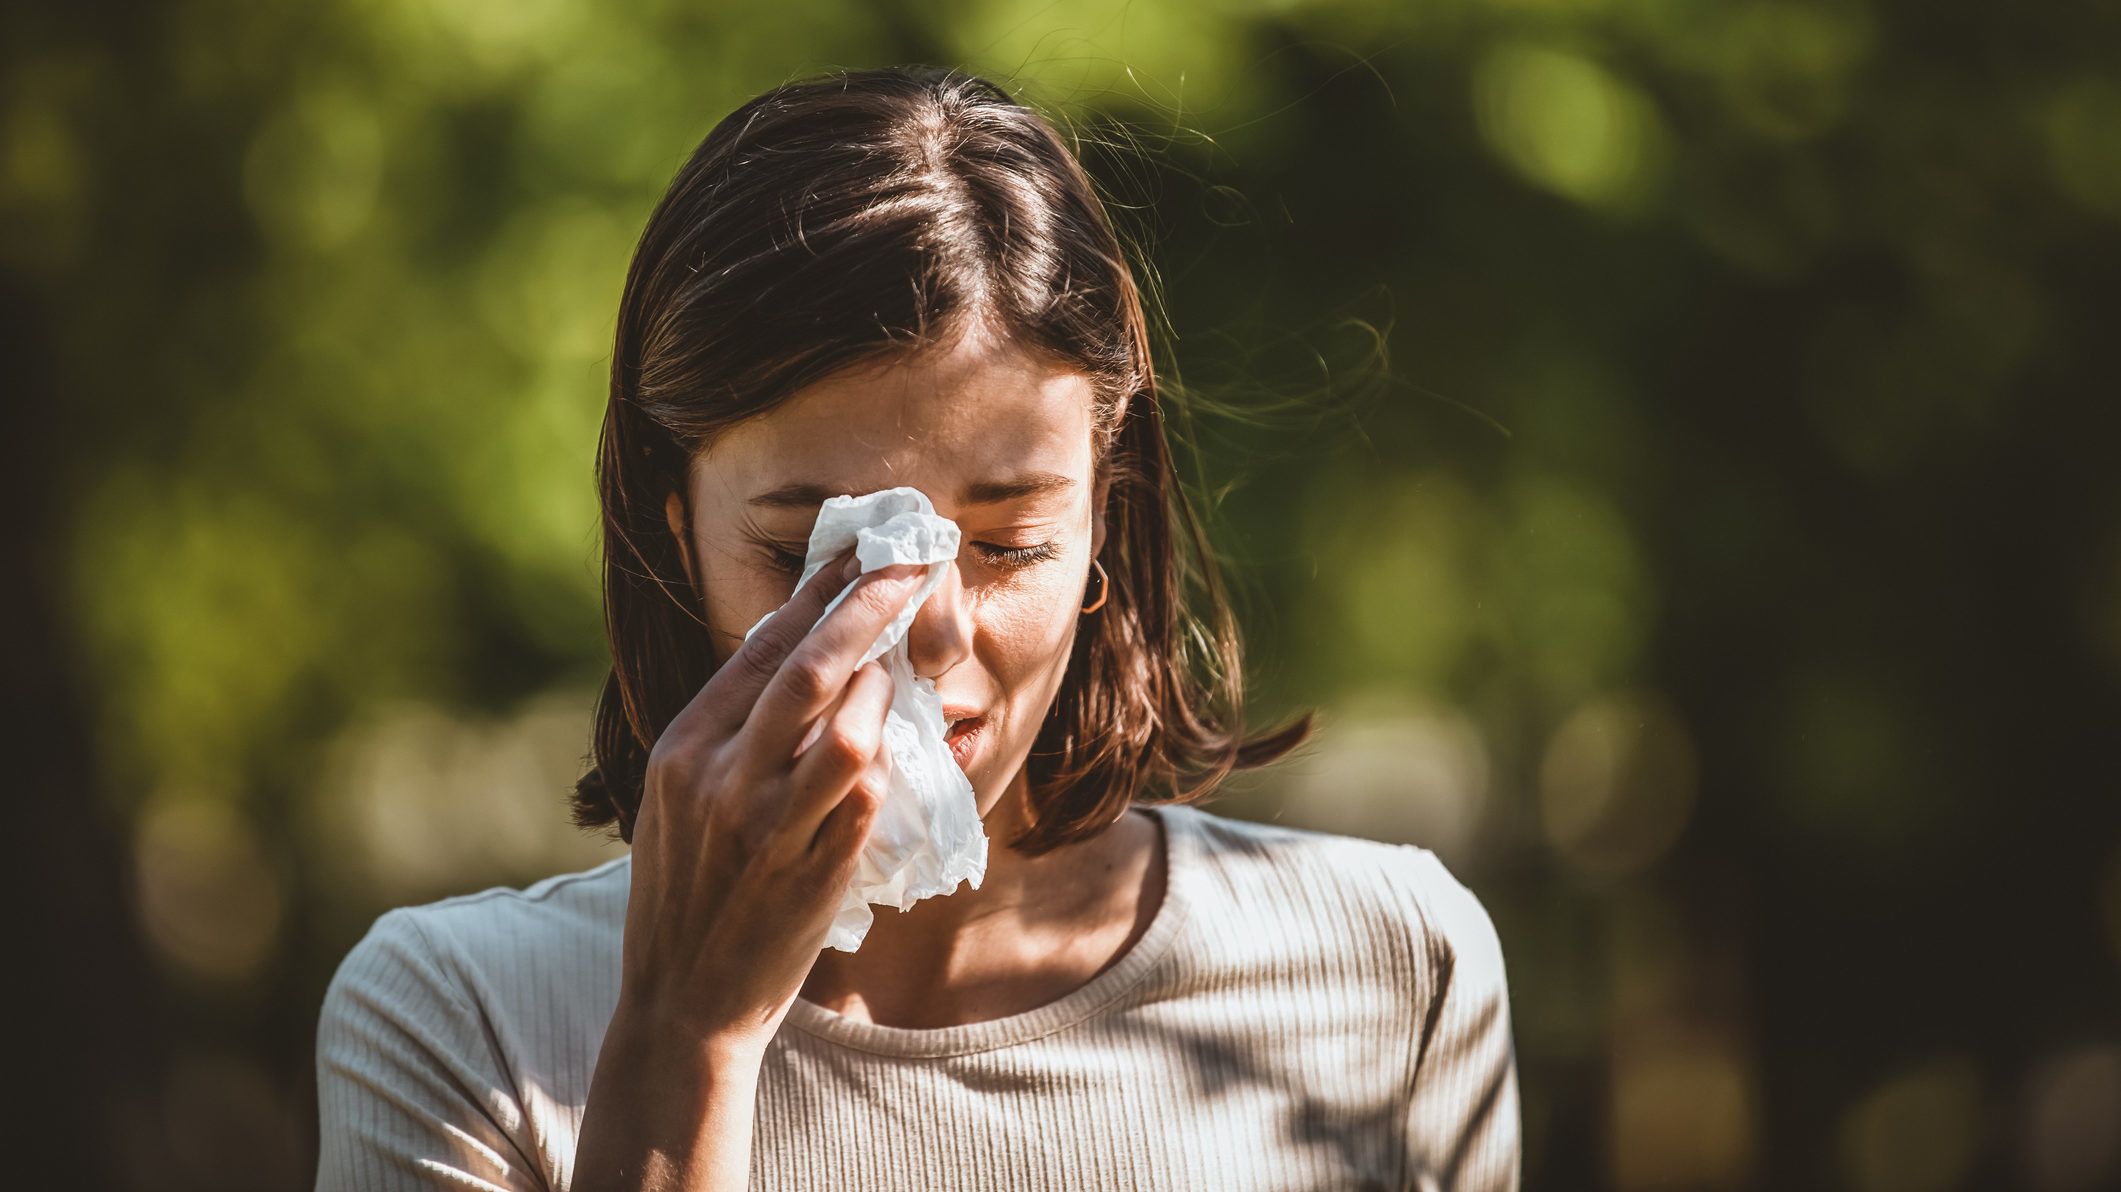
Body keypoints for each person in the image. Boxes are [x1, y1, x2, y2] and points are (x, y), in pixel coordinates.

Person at [313, 64, 1520, 1191]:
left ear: (1108, 516)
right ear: (675, 533)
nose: (926, 633)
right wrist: (687, 1038)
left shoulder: (1392, 965)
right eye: (812, 555)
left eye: (1005, 544)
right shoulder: (462, 1020)